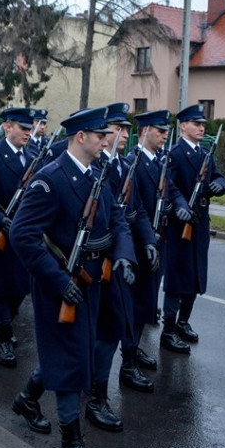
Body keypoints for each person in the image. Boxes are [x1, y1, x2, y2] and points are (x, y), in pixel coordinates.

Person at [8, 107, 133, 448]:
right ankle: (71, 445)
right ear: (81, 137)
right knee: (71, 357)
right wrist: (58, 280)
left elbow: (117, 221)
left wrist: (123, 256)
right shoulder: (50, 180)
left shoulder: (99, 176)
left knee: (74, 351)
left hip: (92, 281)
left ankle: (28, 398)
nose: (106, 141)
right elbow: (22, 235)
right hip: (60, 283)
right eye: (100, 136)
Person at [87, 103, 157, 425]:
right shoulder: (94, 166)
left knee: (112, 328)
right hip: (94, 263)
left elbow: (137, 211)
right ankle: (89, 396)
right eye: (117, 129)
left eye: (127, 130)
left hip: (119, 260)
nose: (124, 135)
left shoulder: (123, 166)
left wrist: (147, 242)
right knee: (88, 335)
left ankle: (100, 392)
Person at [123, 110, 188, 385]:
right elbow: (132, 208)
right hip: (139, 243)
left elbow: (171, 189)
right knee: (136, 304)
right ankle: (127, 362)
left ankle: (134, 348)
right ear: (146, 130)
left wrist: (181, 205)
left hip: (156, 240)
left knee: (147, 302)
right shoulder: (132, 163)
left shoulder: (160, 160)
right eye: (160, 131)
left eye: (166, 131)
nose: (165, 136)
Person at [161, 103, 225, 353]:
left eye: (203, 125)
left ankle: (183, 322)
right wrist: (179, 204)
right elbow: (168, 183)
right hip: (180, 226)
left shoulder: (204, 154)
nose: (201, 128)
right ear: (183, 126)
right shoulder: (175, 153)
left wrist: (220, 185)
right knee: (178, 279)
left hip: (199, 224)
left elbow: (218, 176)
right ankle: (168, 330)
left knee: (196, 276)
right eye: (196, 124)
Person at [0, 107, 38, 367]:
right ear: (7, 127)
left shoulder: (34, 156)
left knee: (21, 286)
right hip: (2, 228)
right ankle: (4, 333)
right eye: (23, 129)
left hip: (25, 230)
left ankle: (7, 321)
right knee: (2, 287)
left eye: (30, 129)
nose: (28, 133)